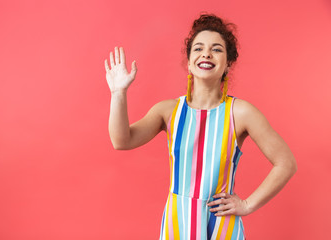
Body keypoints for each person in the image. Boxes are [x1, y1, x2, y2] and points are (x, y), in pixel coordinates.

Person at [105, 13, 297, 240]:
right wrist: (118, 93)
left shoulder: (241, 112)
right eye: (198, 48)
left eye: (216, 49)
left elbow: (286, 163)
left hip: (221, 225)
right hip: (178, 222)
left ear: (228, 63)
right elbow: (122, 141)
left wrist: (247, 205)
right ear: (188, 62)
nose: (206, 53)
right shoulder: (168, 111)